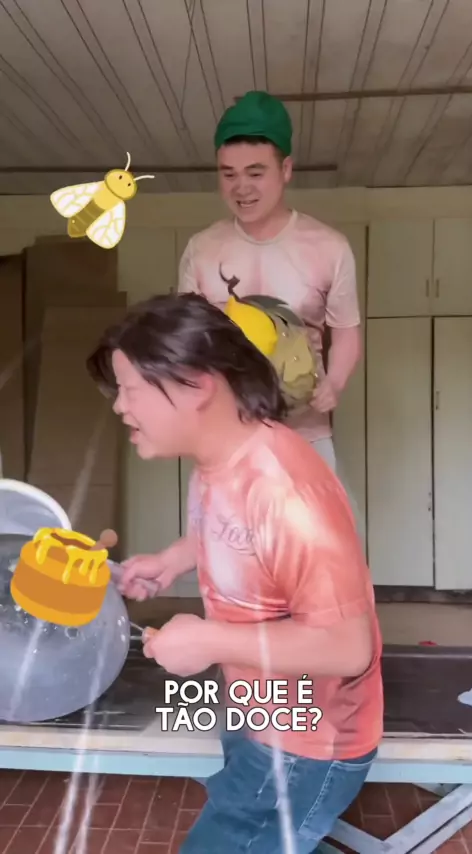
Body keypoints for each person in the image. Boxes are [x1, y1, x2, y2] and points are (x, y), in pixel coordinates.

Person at [86, 292, 383, 854]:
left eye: (131, 389)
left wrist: (207, 641)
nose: (120, 407)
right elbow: (230, 530)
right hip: (258, 712)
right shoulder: (220, 460)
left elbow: (348, 647)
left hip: (306, 744)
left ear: (198, 384)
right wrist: (173, 560)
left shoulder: (286, 493)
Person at [178, 90, 362, 472]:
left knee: (319, 515)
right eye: (228, 174)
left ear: (286, 169)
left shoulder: (330, 247)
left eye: (255, 173)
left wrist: (335, 382)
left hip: (306, 434)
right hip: (226, 433)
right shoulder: (201, 249)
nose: (241, 187)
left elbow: (346, 329)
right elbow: (187, 338)